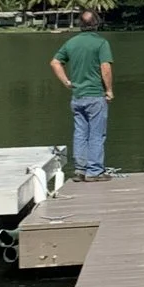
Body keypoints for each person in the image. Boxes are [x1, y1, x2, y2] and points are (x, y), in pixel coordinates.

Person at [49, 9, 114, 180]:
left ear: (80, 25)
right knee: (97, 134)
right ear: (96, 23)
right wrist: (109, 90)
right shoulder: (101, 43)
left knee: (80, 133)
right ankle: (94, 171)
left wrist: (66, 81)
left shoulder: (71, 43)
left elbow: (55, 63)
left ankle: (80, 169)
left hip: (77, 96)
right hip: (95, 95)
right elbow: (105, 68)